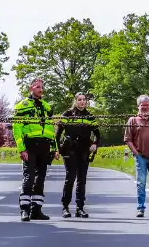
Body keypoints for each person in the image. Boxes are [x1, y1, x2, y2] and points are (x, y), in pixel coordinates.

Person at [12, 78, 57, 221]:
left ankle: (36, 210)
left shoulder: (47, 107)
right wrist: (21, 149)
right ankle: (24, 210)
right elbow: (17, 128)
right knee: (29, 177)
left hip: (44, 147)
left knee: (41, 179)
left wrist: (54, 147)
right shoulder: (22, 105)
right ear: (31, 88)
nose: (41, 89)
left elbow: (50, 128)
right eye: (38, 87)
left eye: (42, 87)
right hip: (30, 145)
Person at [57, 93, 100, 218]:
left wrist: (95, 144)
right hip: (70, 150)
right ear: (75, 101)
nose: (82, 102)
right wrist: (58, 149)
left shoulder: (90, 117)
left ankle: (79, 208)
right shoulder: (67, 115)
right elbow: (58, 134)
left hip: (84, 150)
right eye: (79, 100)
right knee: (70, 178)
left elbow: (98, 134)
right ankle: (65, 207)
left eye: (84, 100)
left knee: (82, 180)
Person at [125, 95, 149, 218]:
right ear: (138, 106)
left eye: (147, 105)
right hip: (141, 156)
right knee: (141, 183)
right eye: (143, 105)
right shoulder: (132, 120)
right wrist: (136, 153)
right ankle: (140, 208)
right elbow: (128, 139)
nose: (145, 107)